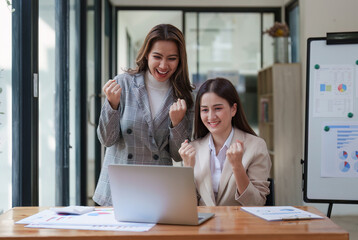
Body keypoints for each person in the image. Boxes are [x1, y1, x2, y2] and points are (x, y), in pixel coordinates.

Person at [93, 24, 194, 206]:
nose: (163, 65)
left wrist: (177, 124)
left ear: (180, 60)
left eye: (172, 58)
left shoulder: (185, 96)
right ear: (146, 54)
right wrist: (112, 105)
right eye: (157, 57)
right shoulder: (123, 84)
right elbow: (107, 140)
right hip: (117, 188)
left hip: (158, 188)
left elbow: (178, 155)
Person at [179, 78, 271, 206]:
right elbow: (186, 205)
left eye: (217, 108)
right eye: (205, 110)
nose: (211, 117)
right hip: (204, 225)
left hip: (240, 224)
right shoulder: (193, 148)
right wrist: (188, 168)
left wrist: (237, 167)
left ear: (233, 109)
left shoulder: (256, 146)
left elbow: (256, 203)